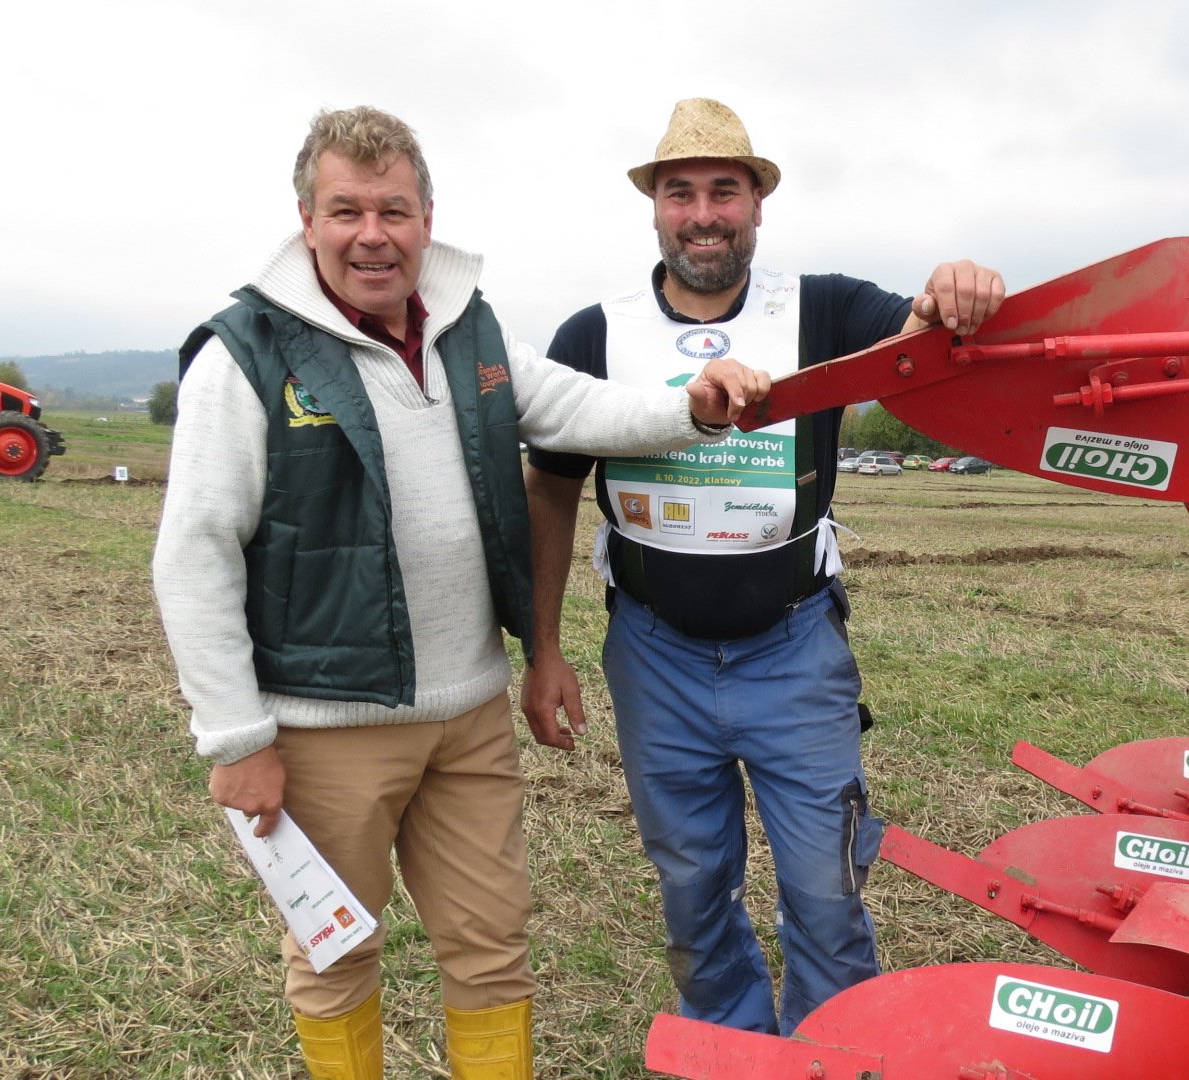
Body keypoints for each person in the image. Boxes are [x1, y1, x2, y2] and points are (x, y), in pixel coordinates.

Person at [150, 105, 770, 1080]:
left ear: (426, 217)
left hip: (468, 716)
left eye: (392, 210)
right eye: (346, 210)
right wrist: (237, 742)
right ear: (306, 220)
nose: (371, 235)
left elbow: (570, 403)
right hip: (324, 729)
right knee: (336, 953)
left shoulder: (466, 330)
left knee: (492, 951)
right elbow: (194, 556)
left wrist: (688, 410)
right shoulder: (247, 356)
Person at [523, 98, 1004, 1035]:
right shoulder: (595, 334)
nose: (703, 213)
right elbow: (548, 491)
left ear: (757, 205)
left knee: (826, 887)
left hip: (793, 650)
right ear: (655, 208)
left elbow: (923, 339)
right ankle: (735, 1046)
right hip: (652, 653)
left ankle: (829, 1050)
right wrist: (544, 646)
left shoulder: (821, 308)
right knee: (694, 887)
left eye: (725, 191)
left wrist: (953, 292)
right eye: (681, 192)